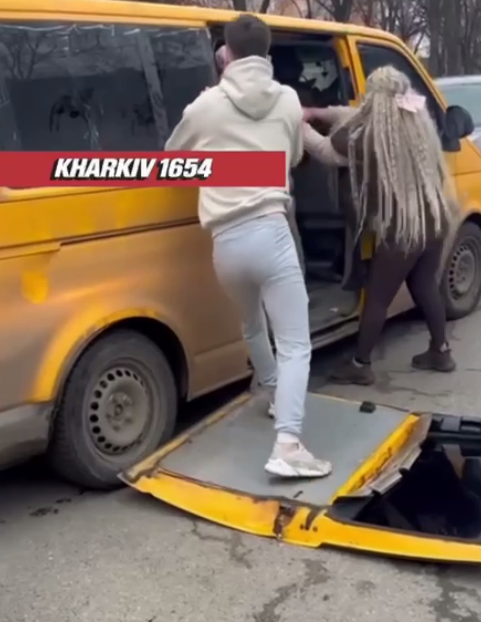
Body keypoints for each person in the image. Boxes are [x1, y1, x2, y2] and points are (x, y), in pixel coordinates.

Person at [165, 15, 331, 478]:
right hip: (270, 231)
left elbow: (173, 158)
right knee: (295, 343)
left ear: (227, 56)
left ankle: (274, 394)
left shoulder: (205, 106)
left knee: (252, 325)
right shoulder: (288, 99)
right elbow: (294, 156)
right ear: (268, 53)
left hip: (225, 242)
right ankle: (288, 444)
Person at [302, 65, 459, 385]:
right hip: (434, 220)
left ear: (375, 100)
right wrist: (318, 112)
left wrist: (297, 123)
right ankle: (440, 351)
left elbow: (327, 151)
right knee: (425, 286)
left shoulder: (369, 136)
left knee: (377, 298)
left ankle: (361, 364)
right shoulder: (417, 124)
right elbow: (355, 114)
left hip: (402, 230)